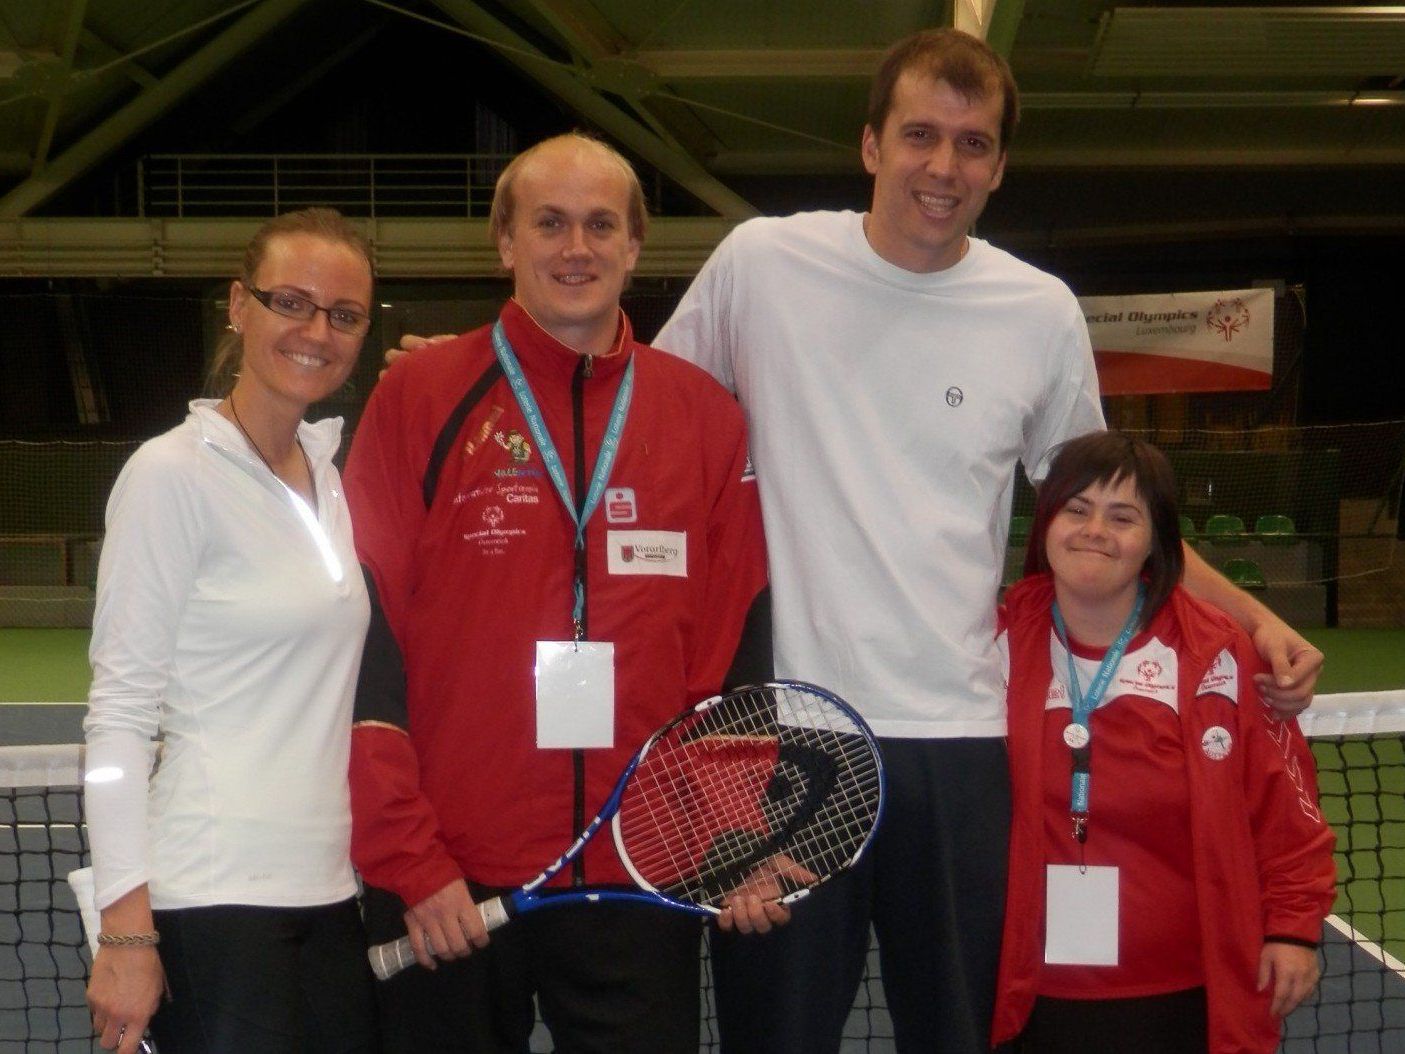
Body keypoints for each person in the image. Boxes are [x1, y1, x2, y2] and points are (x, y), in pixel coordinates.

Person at [387, 30, 1324, 1052]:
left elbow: (1112, 516)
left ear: (998, 167)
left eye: (971, 145)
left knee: (958, 1033)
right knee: (775, 1036)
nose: (943, 166)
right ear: (871, 144)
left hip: (964, 751)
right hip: (787, 743)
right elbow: (629, 411)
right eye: (920, 135)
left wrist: (1259, 619)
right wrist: (477, 360)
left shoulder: (1038, 311)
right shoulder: (762, 263)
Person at [342, 132, 773, 1053]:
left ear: (633, 247)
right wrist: (411, 863)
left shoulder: (704, 417)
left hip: (636, 879)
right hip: (449, 884)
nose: (574, 247)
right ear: (505, 242)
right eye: (548, 223)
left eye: (598, 224)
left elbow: (736, 652)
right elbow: (364, 646)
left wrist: (723, 840)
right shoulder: (419, 395)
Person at [82, 208, 379, 1053]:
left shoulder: (327, 473)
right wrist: (126, 928)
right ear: (239, 307)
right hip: (208, 901)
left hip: (327, 897)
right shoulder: (169, 474)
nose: (316, 331)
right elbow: (118, 717)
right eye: (292, 302)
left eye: (344, 315)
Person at [994, 431, 1335, 1053]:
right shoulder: (995, 642)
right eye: (1076, 509)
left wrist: (1294, 929)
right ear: (1045, 525)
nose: (1095, 530)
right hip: (1024, 988)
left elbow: (1286, 808)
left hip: (1187, 990)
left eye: (1123, 517)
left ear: (1157, 541)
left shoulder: (1220, 653)